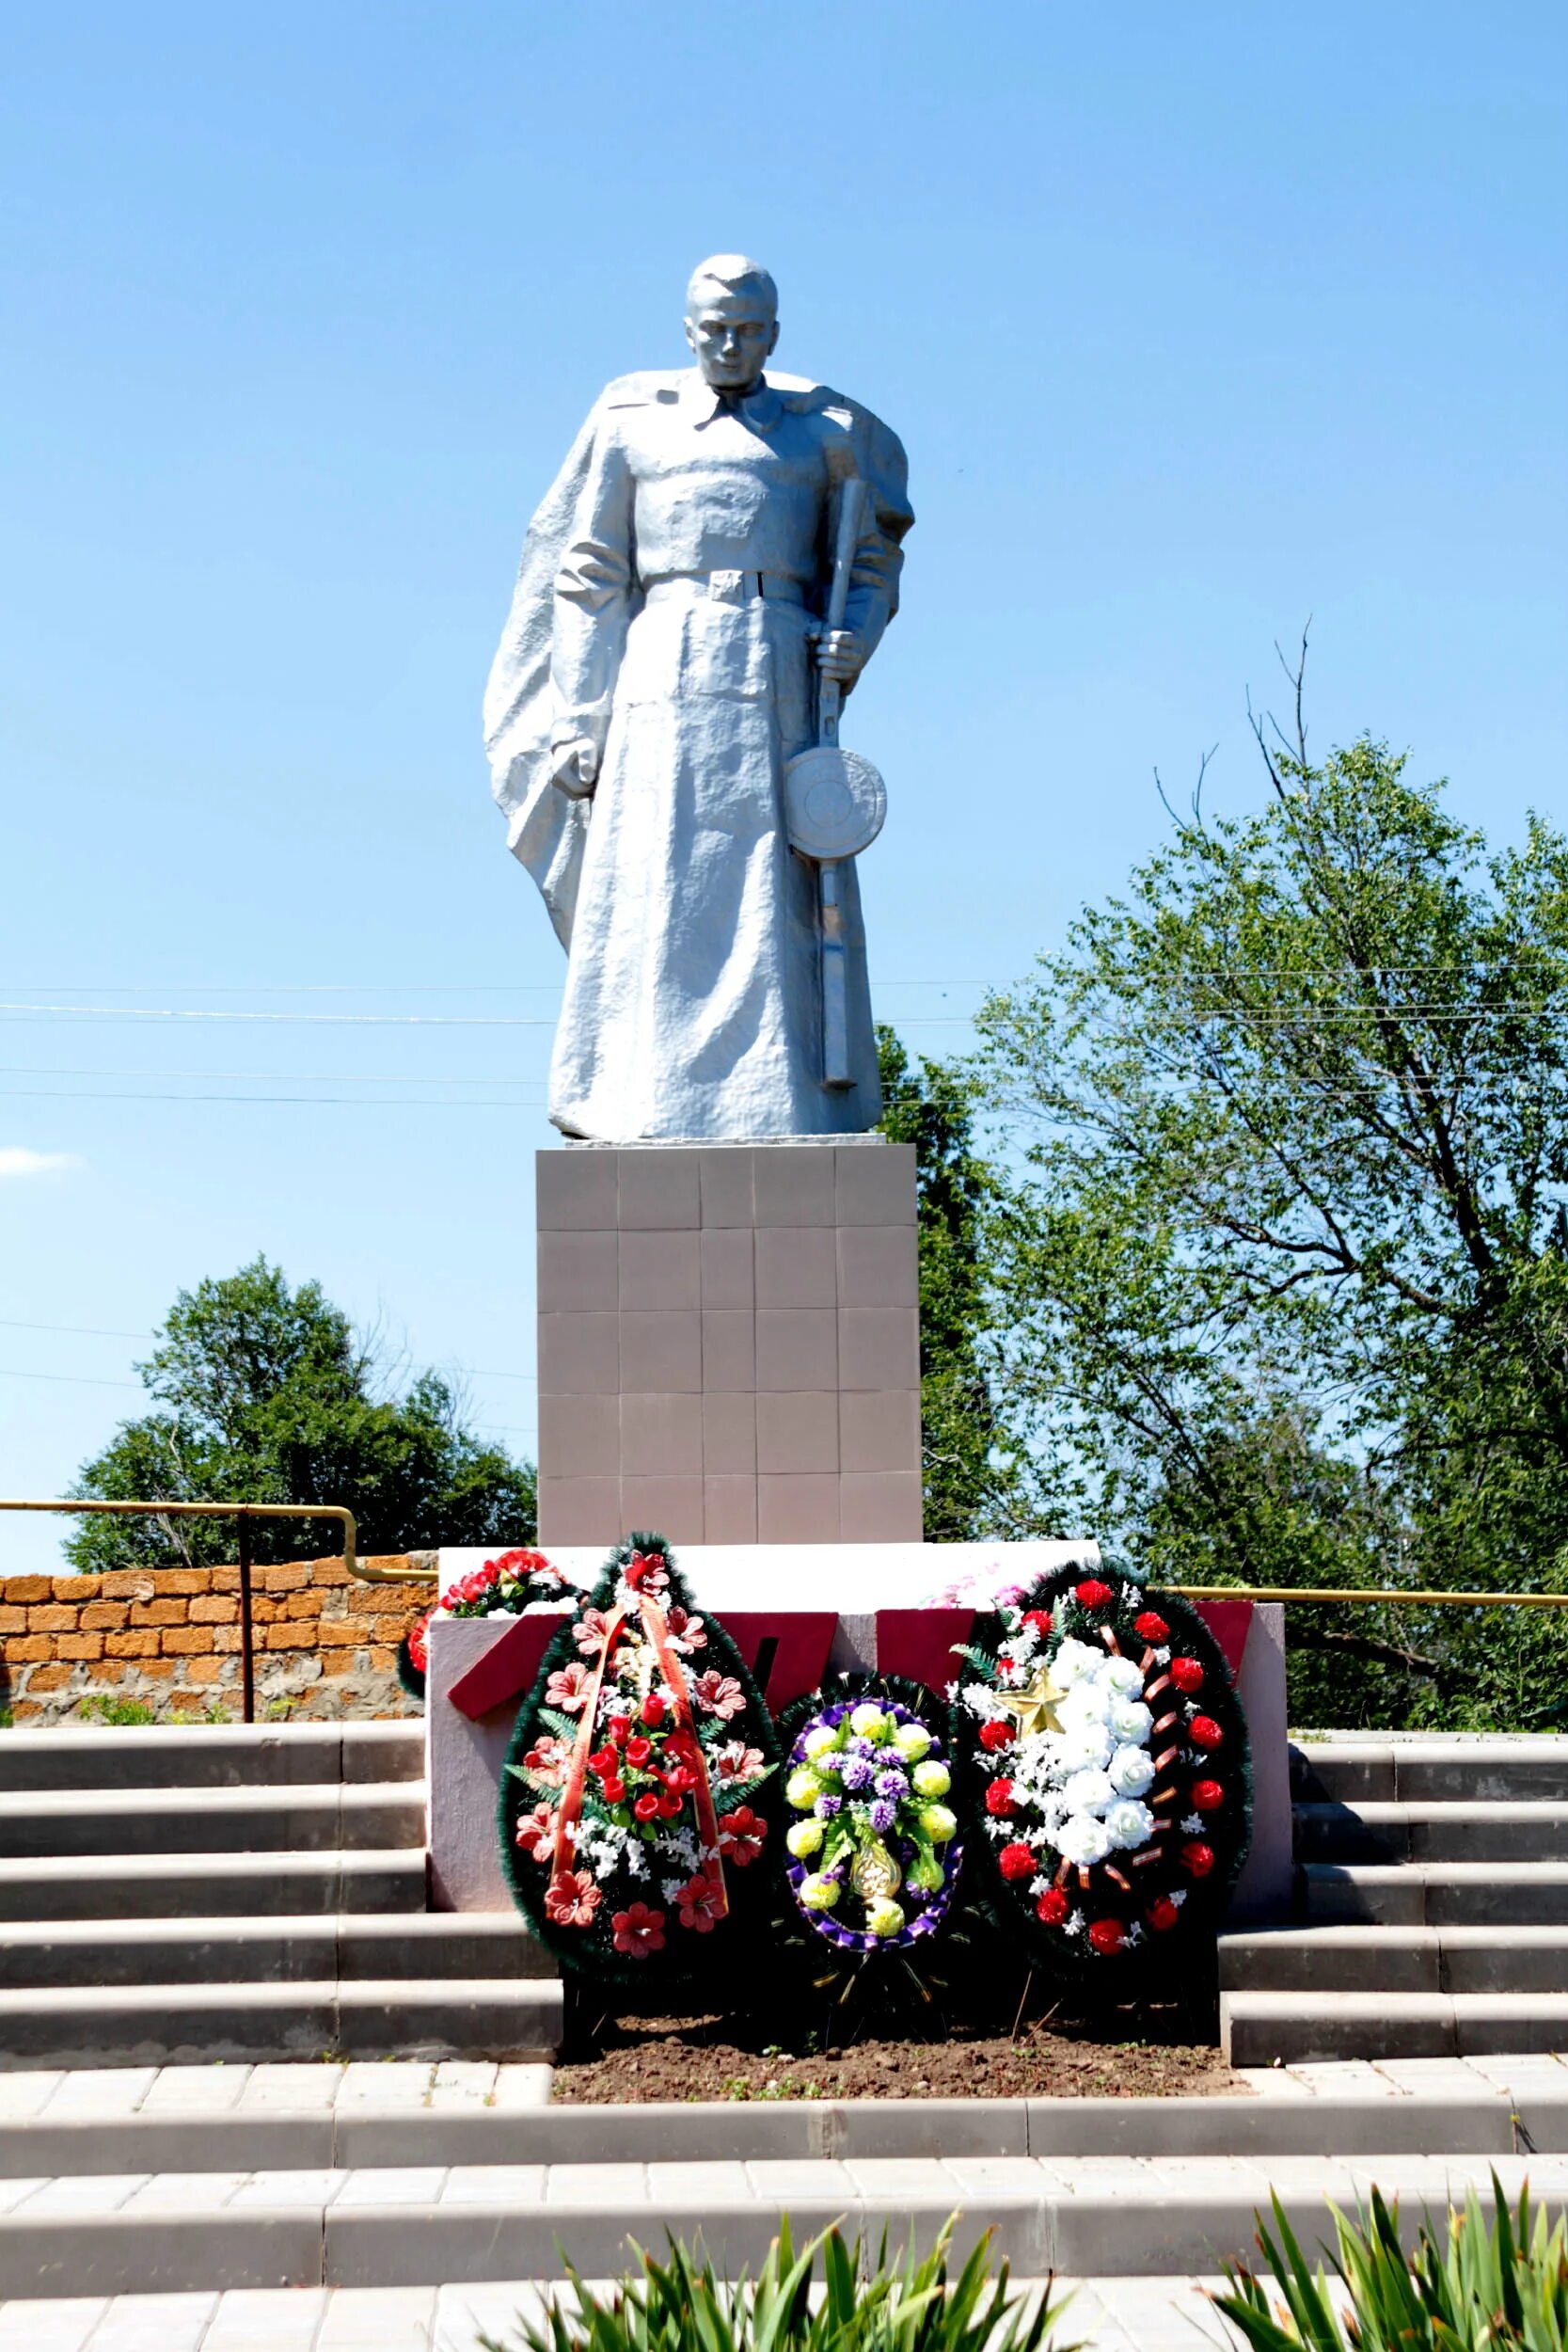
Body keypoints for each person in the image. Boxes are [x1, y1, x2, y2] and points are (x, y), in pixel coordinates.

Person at [484, 255, 912, 1141]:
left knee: (776, 893)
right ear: (687, 329)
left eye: (747, 329)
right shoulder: (632, 426)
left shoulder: (817, 439)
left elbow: (868, 559)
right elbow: (590, 574)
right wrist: (578, 718)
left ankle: (789, 1102)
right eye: (713, 327)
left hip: (778, 672)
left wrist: (854, 635)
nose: (728, 343)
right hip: (657, 677)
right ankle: (637, 1099)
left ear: (773, 334)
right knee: (657, 887)